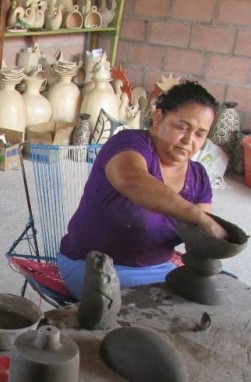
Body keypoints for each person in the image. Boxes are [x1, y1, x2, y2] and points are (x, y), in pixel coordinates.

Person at [57, 81, 229, 300]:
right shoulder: (129, 144)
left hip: (159, 269)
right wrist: (201, 218)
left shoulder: (198, 177)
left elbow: (199, 239)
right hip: (93, 265)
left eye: (199, 134)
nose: (189, 140)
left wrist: (210, 244)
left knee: (227, 294)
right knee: (151, 310)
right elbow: (134, 181)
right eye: (182, 127)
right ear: (158, 118)